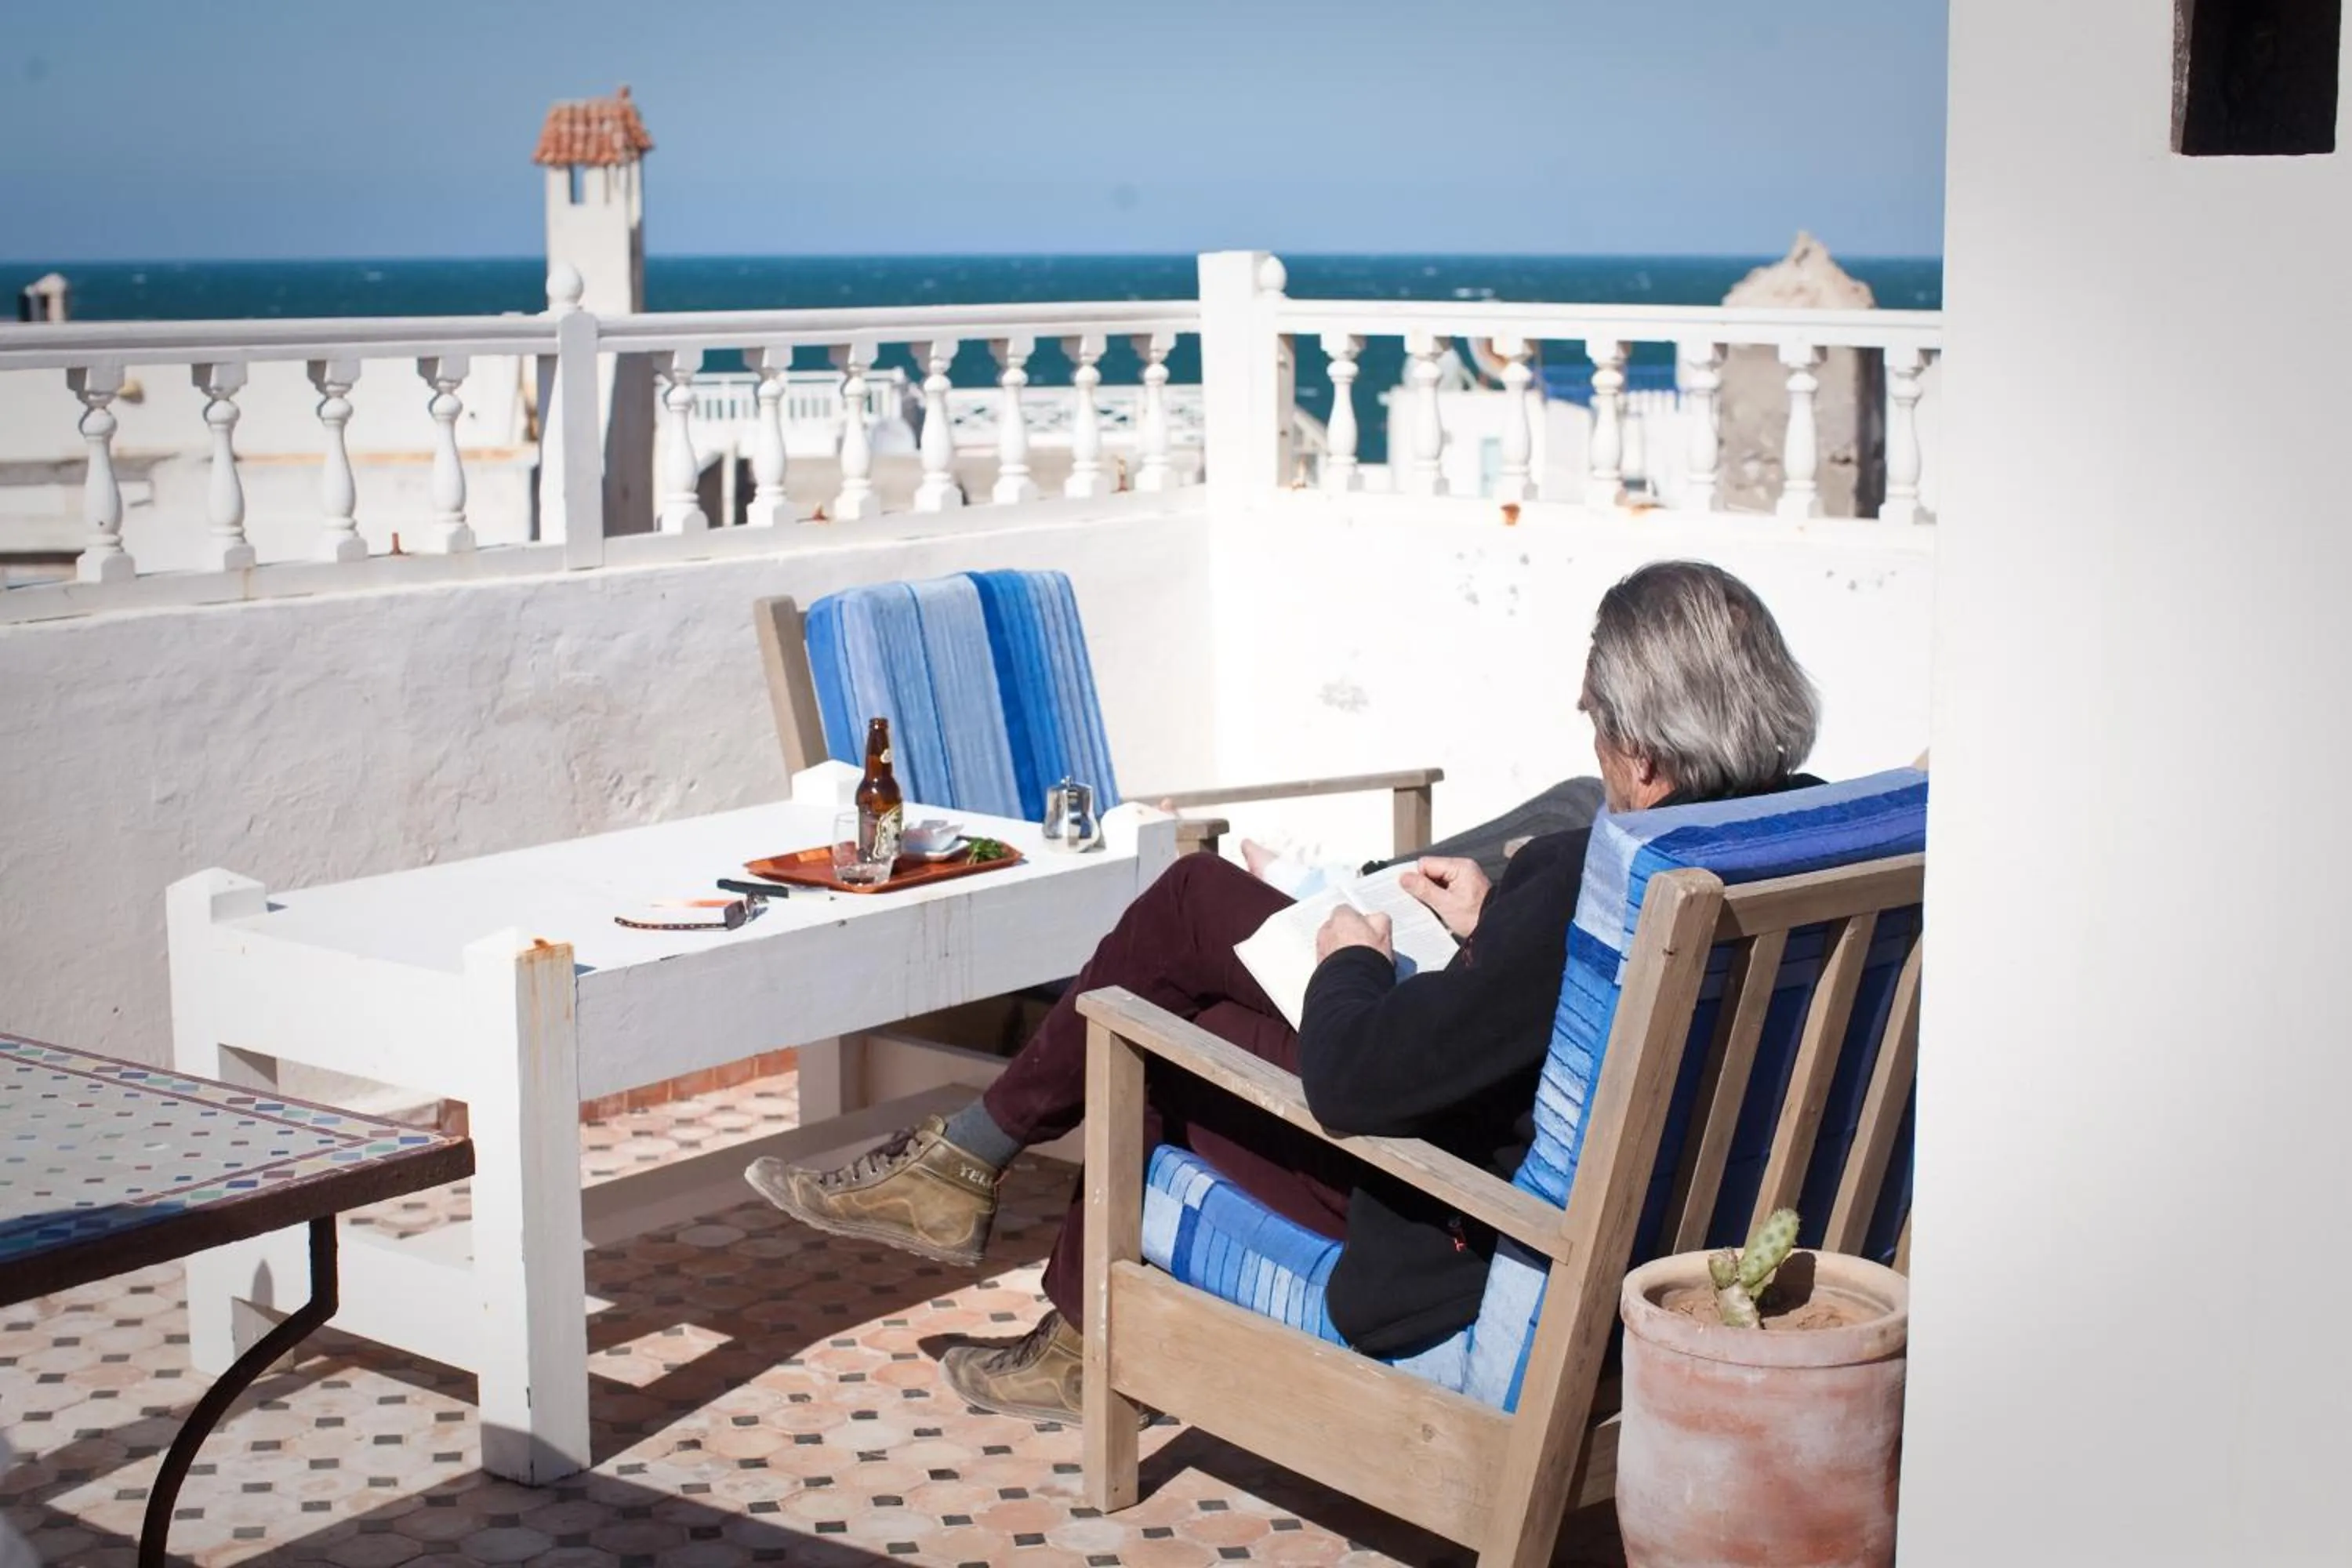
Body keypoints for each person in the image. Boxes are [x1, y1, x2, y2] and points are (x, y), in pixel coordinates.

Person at [746, 559, 1827, 1424]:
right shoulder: (1805, 845)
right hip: (1662, 1200)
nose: (1588, 742)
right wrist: (1489, 931)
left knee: (1162, 1009)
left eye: (1593, 719)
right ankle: (991, 1205)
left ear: (1638, 751)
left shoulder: (1592, 878)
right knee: (1195, 912)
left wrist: (1350, 953)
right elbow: (1550, 1008)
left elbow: (1361, 1089)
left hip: (1461, 1226)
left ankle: (993, 1215)